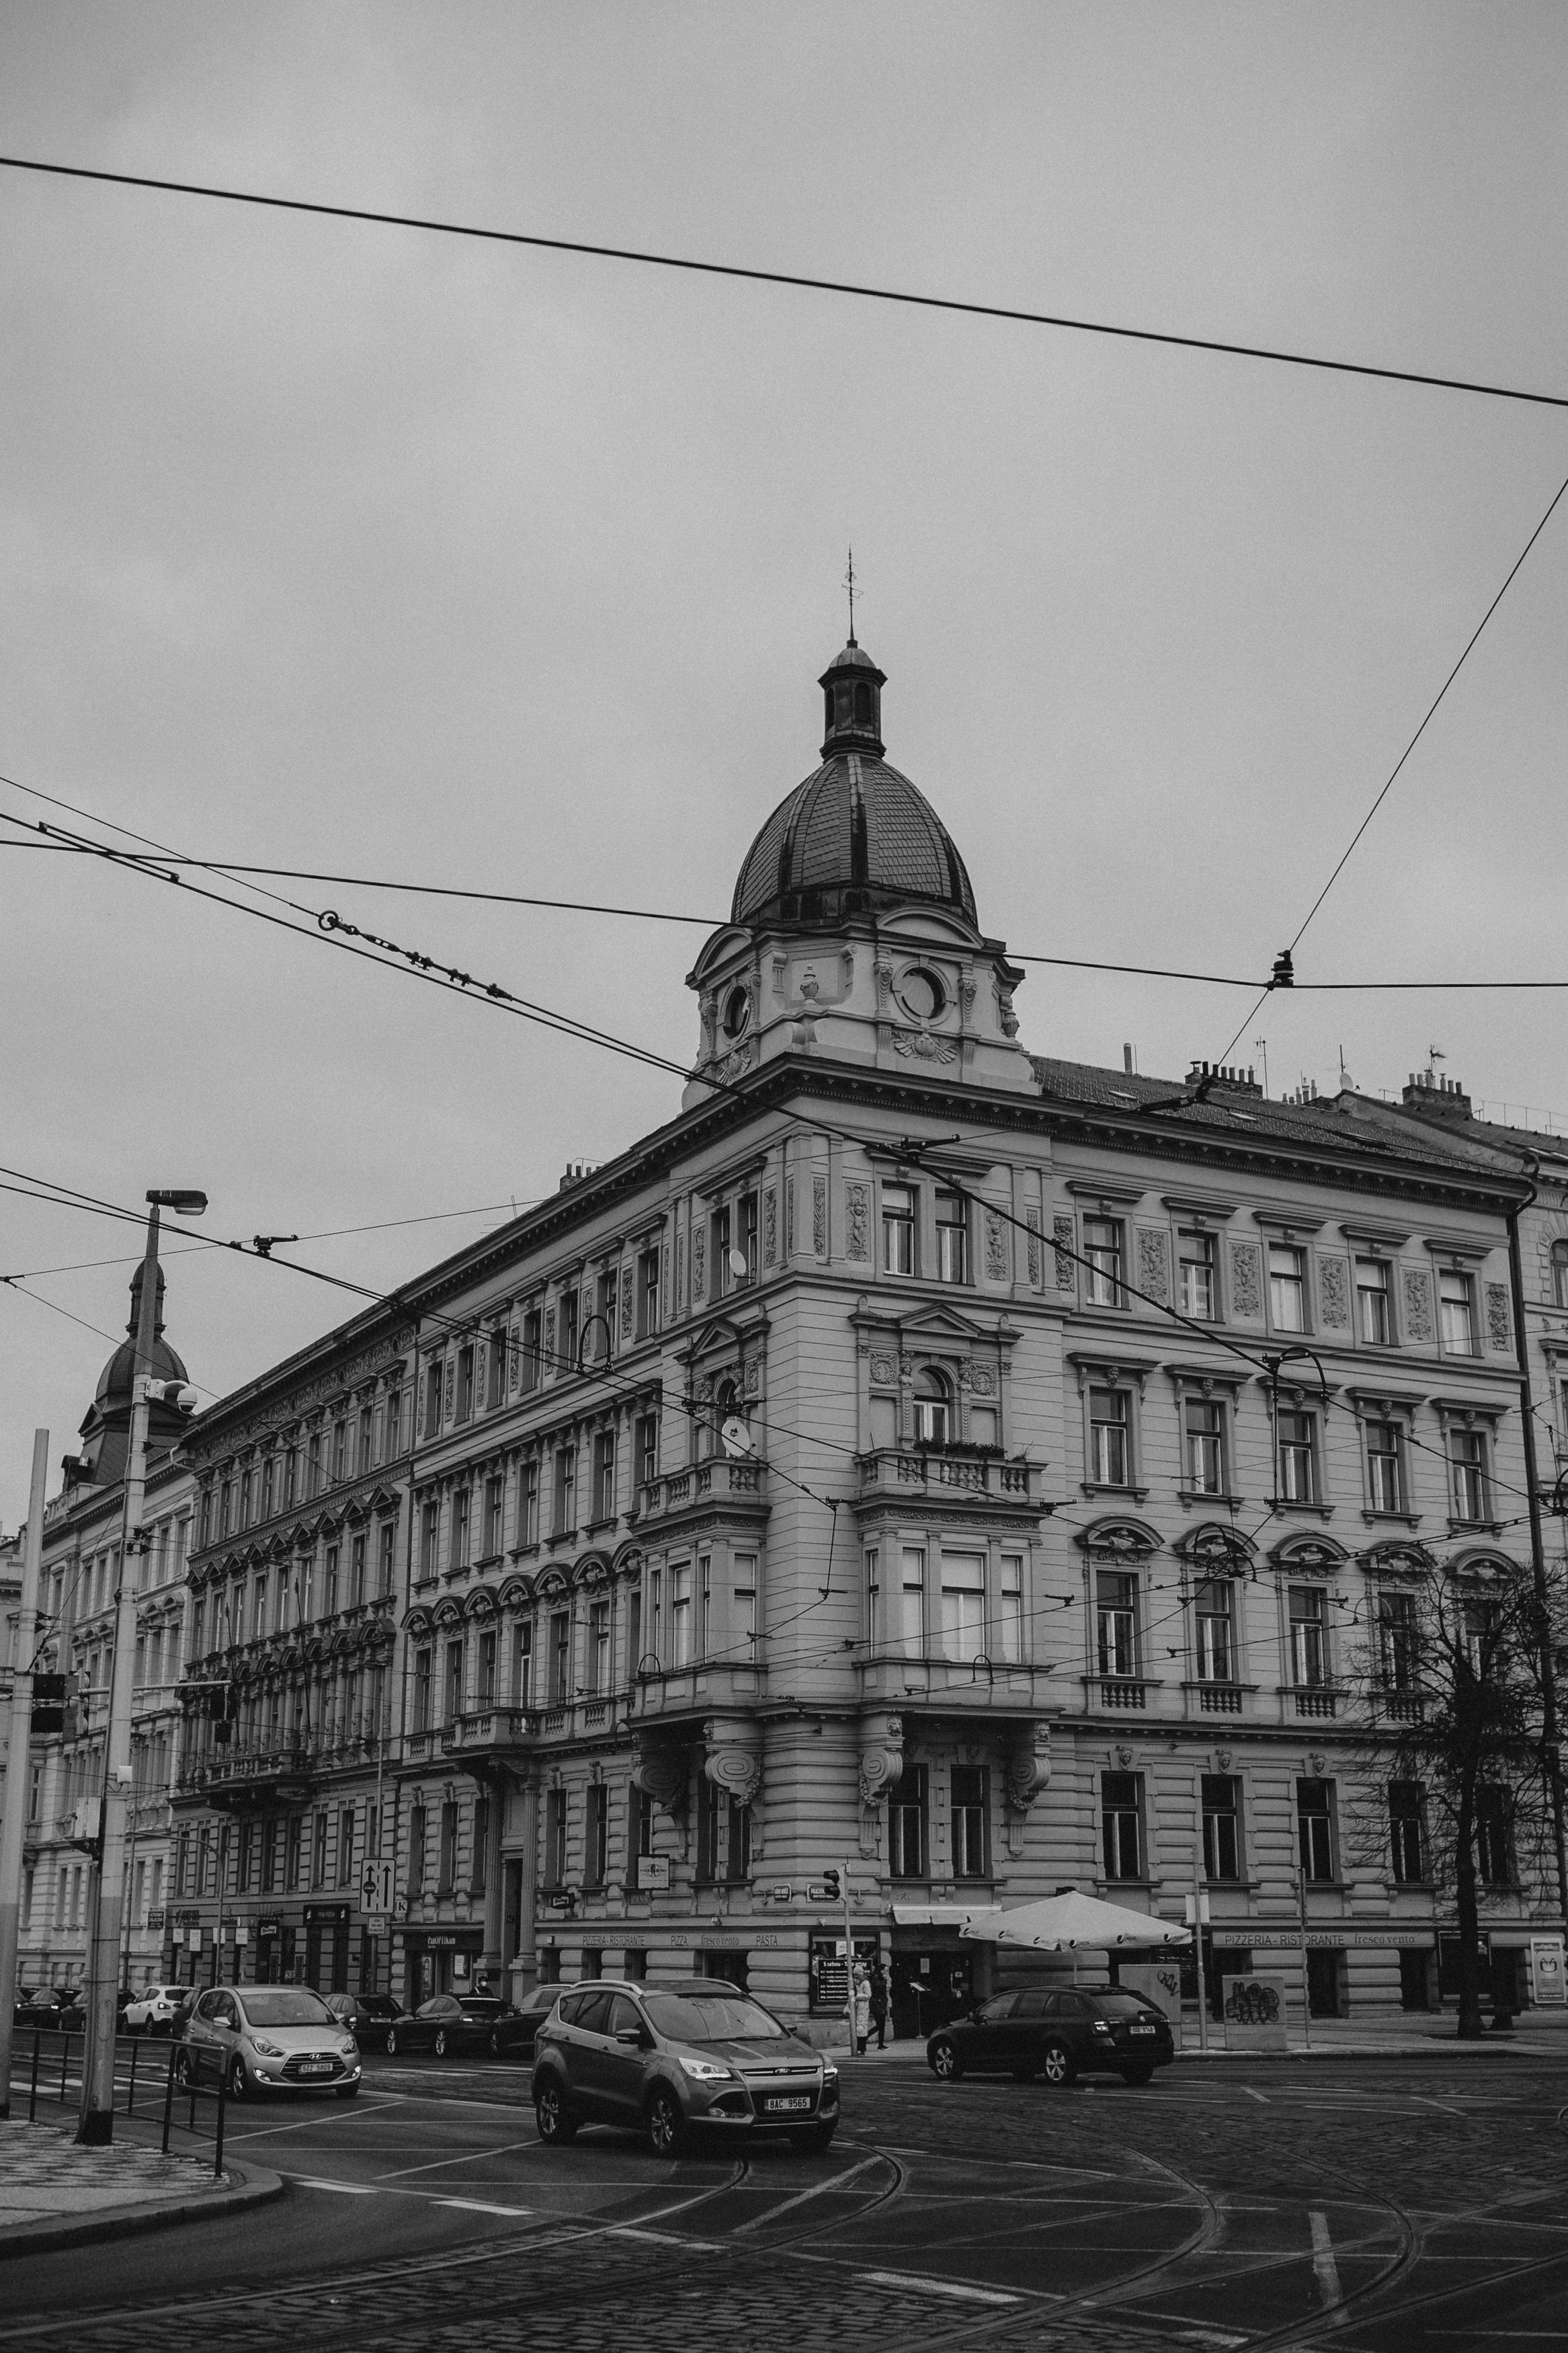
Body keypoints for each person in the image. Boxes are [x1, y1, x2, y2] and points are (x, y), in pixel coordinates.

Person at [868, 1958, 889, 2050]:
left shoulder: (879, 1977)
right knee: (880, 2025)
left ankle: (881, 2044)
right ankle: (865, 2037)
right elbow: (879, 1988)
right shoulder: (877, 1978)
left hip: (880, 2004)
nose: (886, 1973)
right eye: (885, 1971)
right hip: (878, 2004)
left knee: (881, 2025)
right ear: (882, 1970)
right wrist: (884, 1980)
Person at [852, 1961, 871, 2056]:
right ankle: (859, 2048)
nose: (855, 1977)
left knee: (862, 2028)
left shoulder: (865, 1983)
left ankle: (862, 2048)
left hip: (863, 2007)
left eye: (856, 1974)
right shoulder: (856, 1983)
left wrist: (856, 1997)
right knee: (858, 2028)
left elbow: (868, 1995)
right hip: (857, 2007)